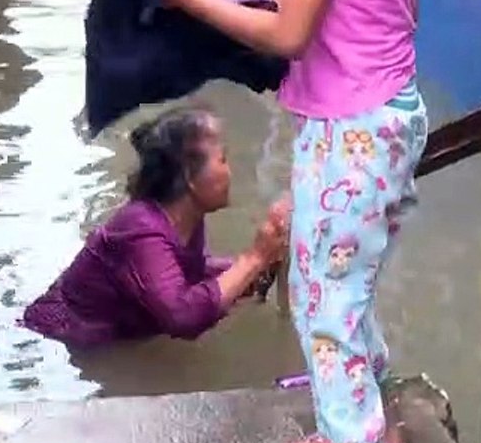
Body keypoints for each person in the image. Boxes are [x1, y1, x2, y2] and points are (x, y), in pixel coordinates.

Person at [157, 0, 423, 443]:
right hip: (393, 117)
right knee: (348, 287)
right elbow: (397, 12)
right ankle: (370, 438)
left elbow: (285, 35)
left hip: (349, 132)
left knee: (322, 300)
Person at [21, 107, 290, 348]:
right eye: (222, 160)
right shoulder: (140, 228)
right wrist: (254, 259)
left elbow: (187, 273)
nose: (230, 172)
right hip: (57, 340)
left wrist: (258, 269)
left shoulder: (183, 218)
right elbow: (182, 316)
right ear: (189, 177)